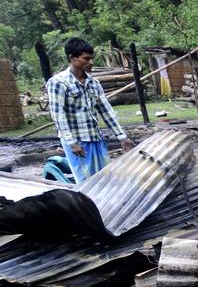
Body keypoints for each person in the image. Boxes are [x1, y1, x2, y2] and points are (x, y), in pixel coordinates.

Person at [46, 37, 134, 183]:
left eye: (92, 58)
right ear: (72, 58)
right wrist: (71, 142)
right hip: (78, 142)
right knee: (86, 182)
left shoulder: (94, 83)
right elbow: (58, 115)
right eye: (86, 59)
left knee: (106, 178)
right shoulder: (58, 83)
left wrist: (122, 137)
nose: (91, 62)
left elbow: (106, 111)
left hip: (96, 138)